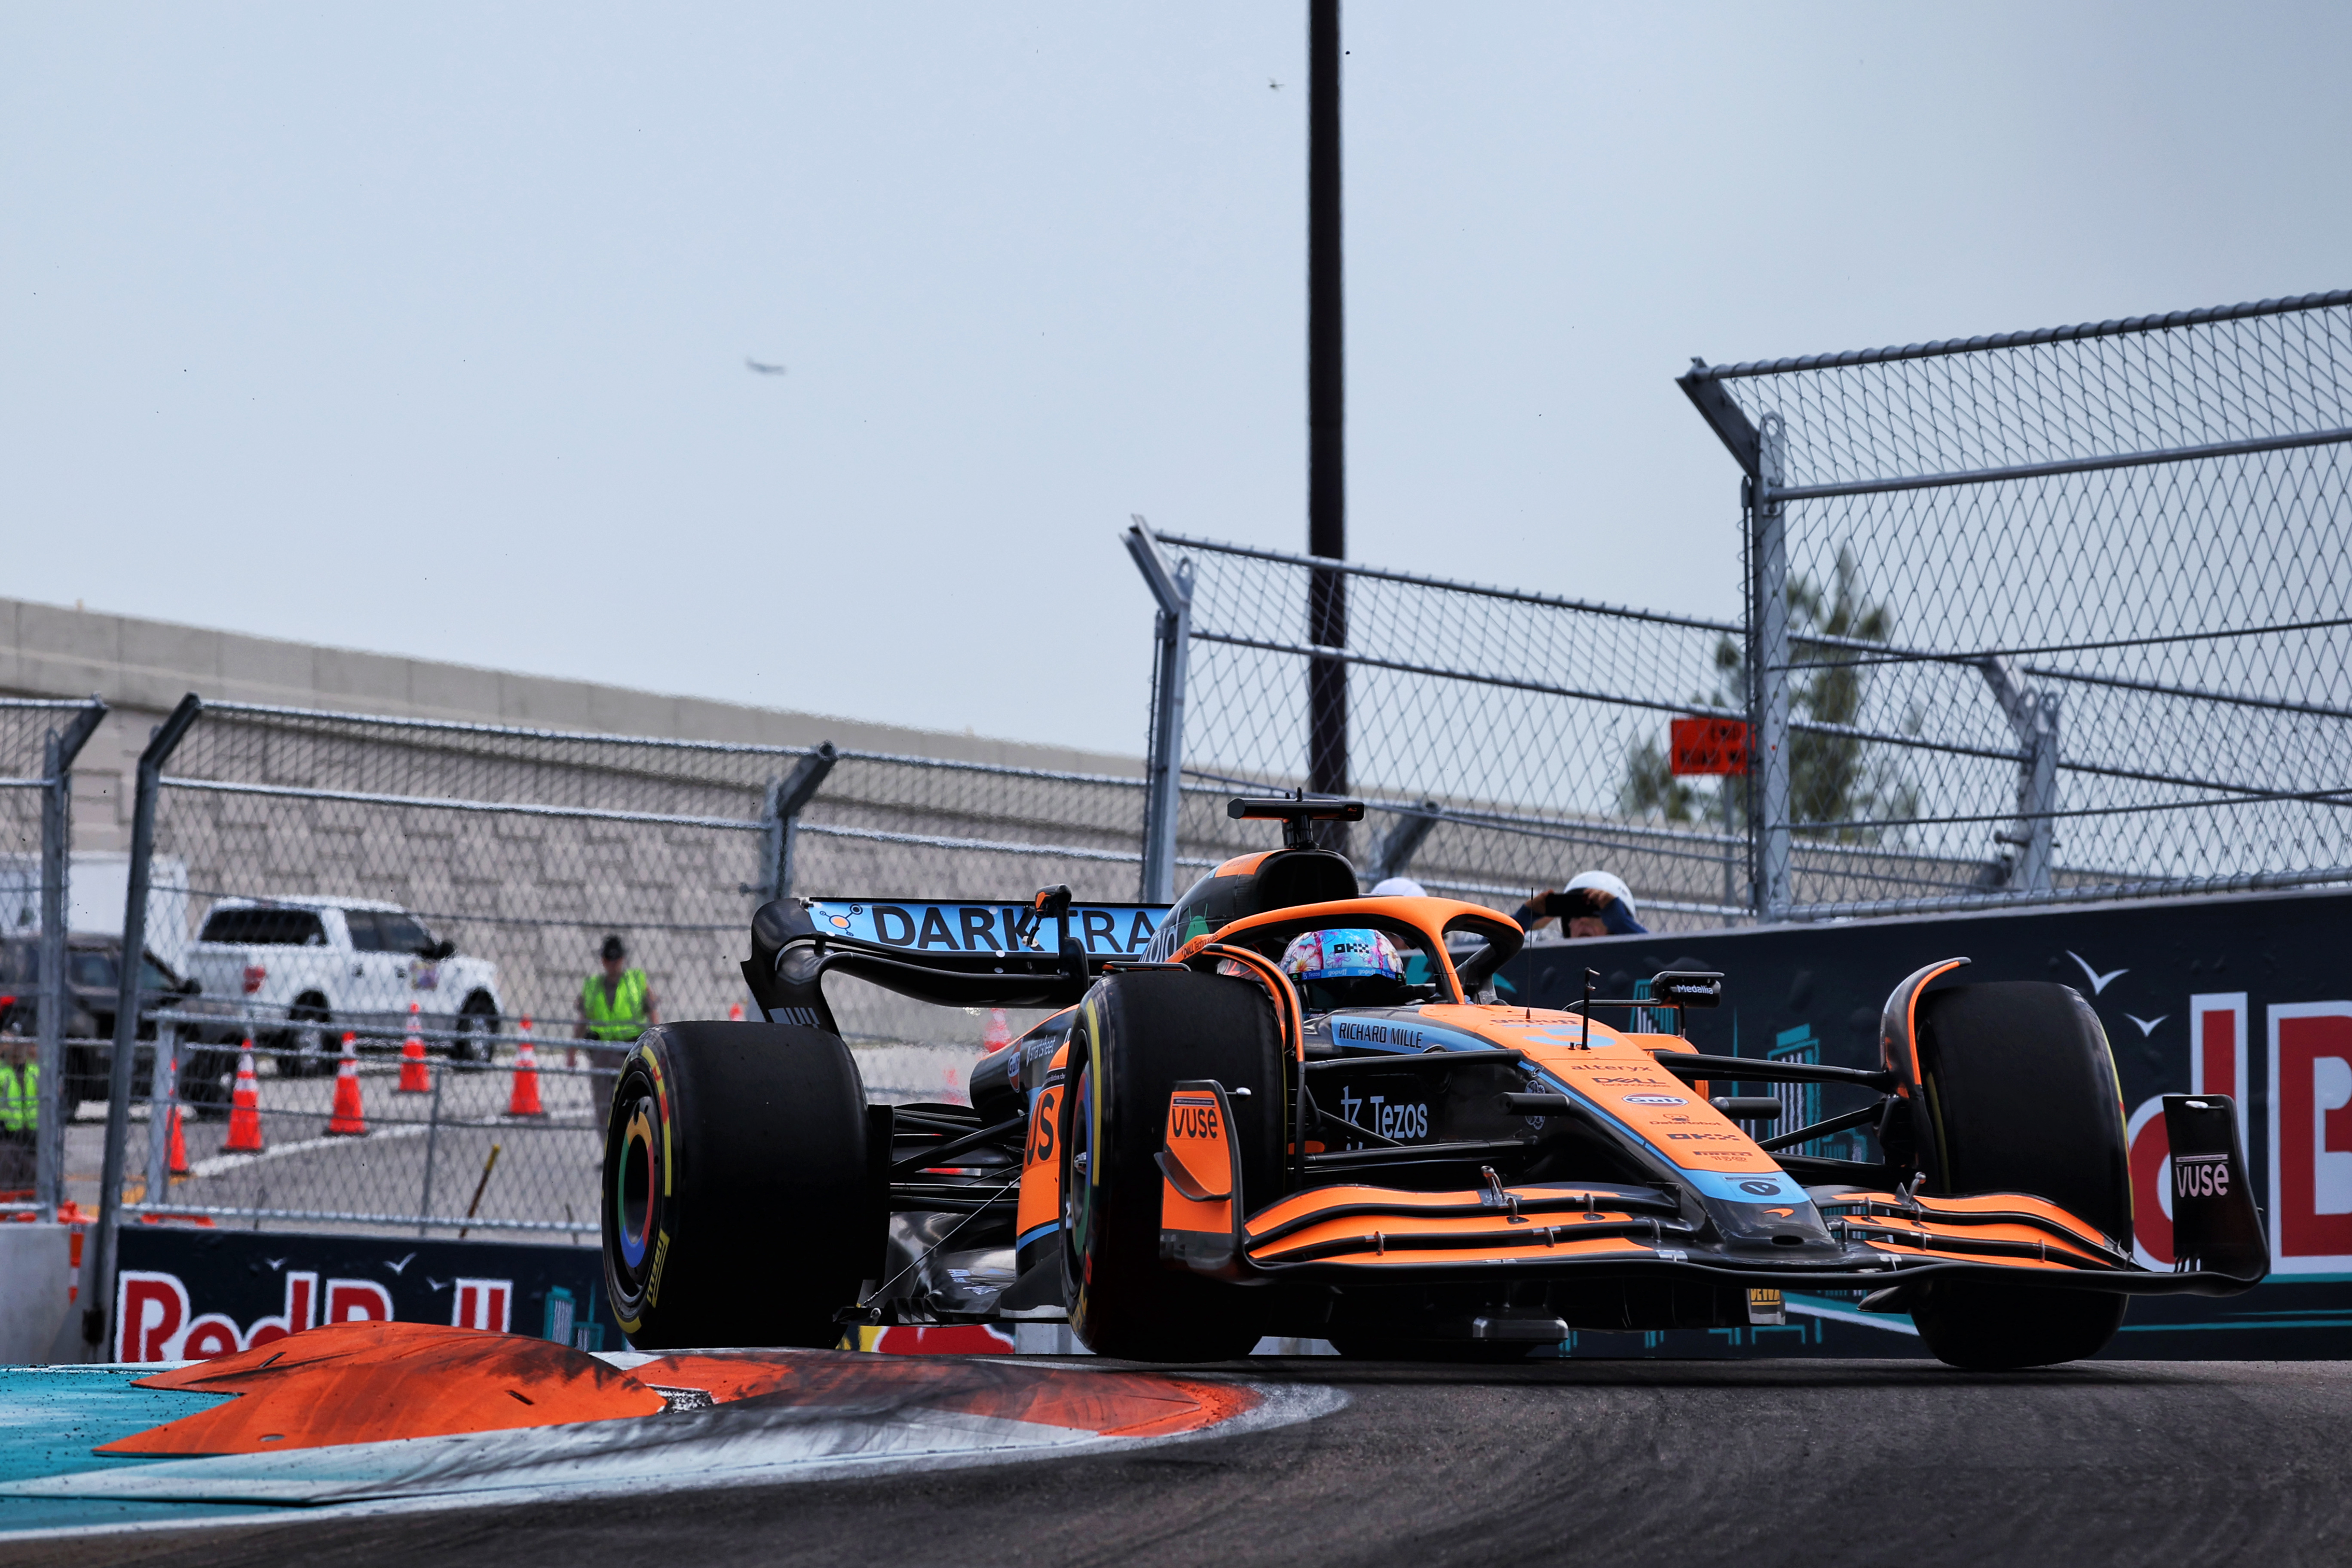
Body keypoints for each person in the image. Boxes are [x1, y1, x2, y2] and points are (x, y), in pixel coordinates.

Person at [578, 935, 658, 1086]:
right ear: (603, 960)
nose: (613, 964)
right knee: (603, 1102)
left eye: (616, 959)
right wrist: (572, 1051)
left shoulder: (636, 981)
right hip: (602, 1051)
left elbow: (652, 1011)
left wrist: (655, 1044)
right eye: (609, 959)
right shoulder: (593, 986)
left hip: (629, 1049)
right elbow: (583, 1019)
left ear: (622, 959)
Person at [1514, 870, 1647, 939]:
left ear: (1614, 930)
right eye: (1576, 914)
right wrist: (1523, 919)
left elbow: (1664, 960)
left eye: (1594, 914)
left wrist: (1624, 925)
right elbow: (1493, 954)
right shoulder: (1547, 953)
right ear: (1568, 925)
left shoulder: (1632, 968)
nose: (1583, 920)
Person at [0, 1029, 37, 1193]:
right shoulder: (3, 1073)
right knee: (7, 1171)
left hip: (34, 1138)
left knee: (33, 1176)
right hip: (6, 1137)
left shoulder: (36, 1072)